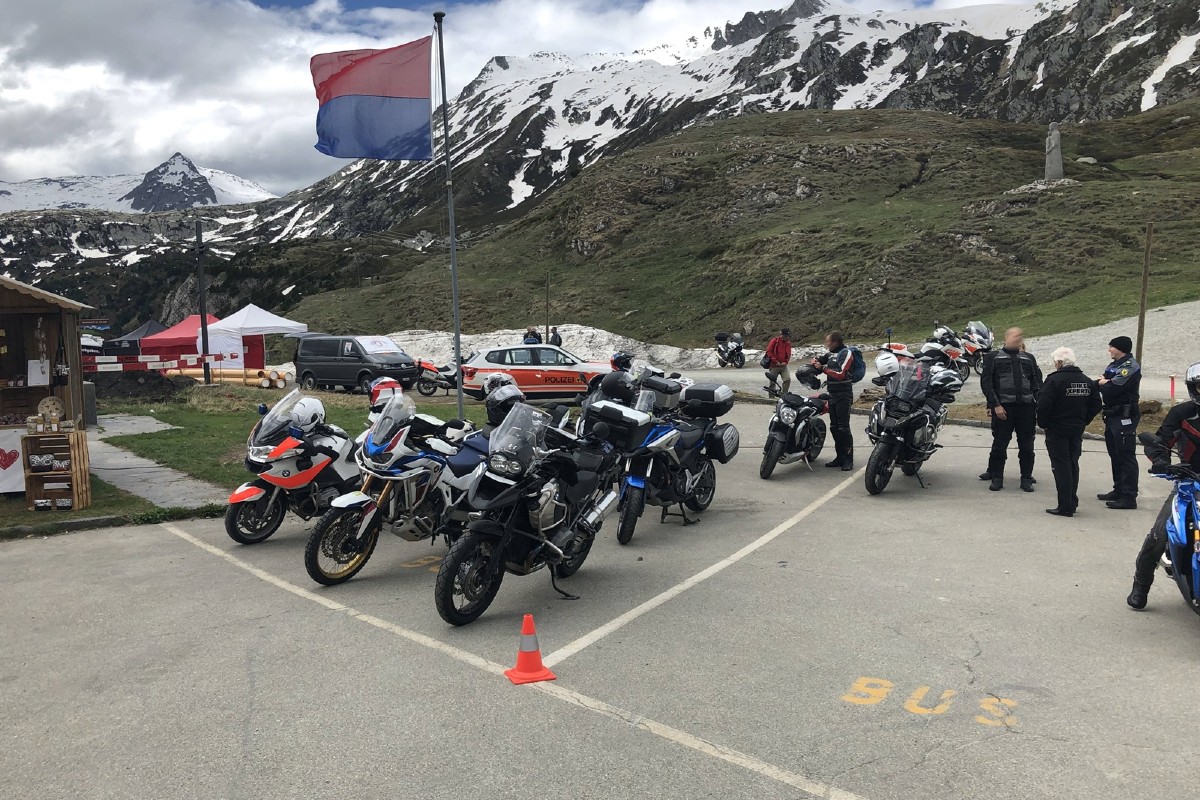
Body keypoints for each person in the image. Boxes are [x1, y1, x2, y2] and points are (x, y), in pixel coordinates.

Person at [1126, 362, 1200, 610]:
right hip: (1190, 481)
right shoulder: (1182, 413)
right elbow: (1160, 440)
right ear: (1193, 388)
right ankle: (1141, 585)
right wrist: (1161, 461)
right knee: (1161, 533)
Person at [1036, 347, 1101, 517]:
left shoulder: (1054, 381)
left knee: (1061, 466)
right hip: (1076, 428)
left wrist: (1044, 423)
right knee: (1073, 462)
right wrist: (1084, 420)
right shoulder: (1086, 380)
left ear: (1058, 362)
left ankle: (1065, 505)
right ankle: (1071, 501)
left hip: (1057, 428)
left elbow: (1043, 405)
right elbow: (1096, 404)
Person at [979, 327, 1042, 492]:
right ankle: (997, 477)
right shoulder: (993, 357)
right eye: (1014, 336)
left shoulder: (1028, 358)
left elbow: (1036, 382)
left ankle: (1026, 478)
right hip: (1004, 408)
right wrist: (995, 404)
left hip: (1026, 408)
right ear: (1006, 338)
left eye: (1020, 336)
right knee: (1000, 445)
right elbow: (987, 383)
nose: (1018, 339)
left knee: (1027, 446)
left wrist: (1037, 403)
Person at [1097, 335, 1141, 510]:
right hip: (1112, 414)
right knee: (1115, 453)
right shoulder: (1115, 365)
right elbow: (1106, 381)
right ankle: (1119, 489)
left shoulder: (1129, 366)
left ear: (1120, 348)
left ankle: (1129, 496)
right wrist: (1104, 381)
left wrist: (1104, 382)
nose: (1109, 350)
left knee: (1125, 455)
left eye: (1111, 347)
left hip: (1125, 415)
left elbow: (1113, 387)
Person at [814, 331, 855, 470]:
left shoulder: (846, 353)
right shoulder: (830, 354)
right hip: (832, 394)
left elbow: (840, 374)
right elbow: (819, 360)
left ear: (835, 342)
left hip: (844, 394)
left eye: (828, 342)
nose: (826, 344)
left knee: (843, 427)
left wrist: (824, 369)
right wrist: (816, 362)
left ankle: (848, 459)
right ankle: (839, 457)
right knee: (834, 427)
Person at [763, 328, 792, 395]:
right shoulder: (774, 341)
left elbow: (789, 354)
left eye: (787, 336)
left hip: (783, 366)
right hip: (774, 366)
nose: (786, 338)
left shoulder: (788, 343)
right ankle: (771, 397)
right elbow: (769, 352)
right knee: (772, 382)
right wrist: (775, 361)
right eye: (785, 336)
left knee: (787, 380)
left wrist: (785, 362)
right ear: (781, 335)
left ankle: (784, 395)